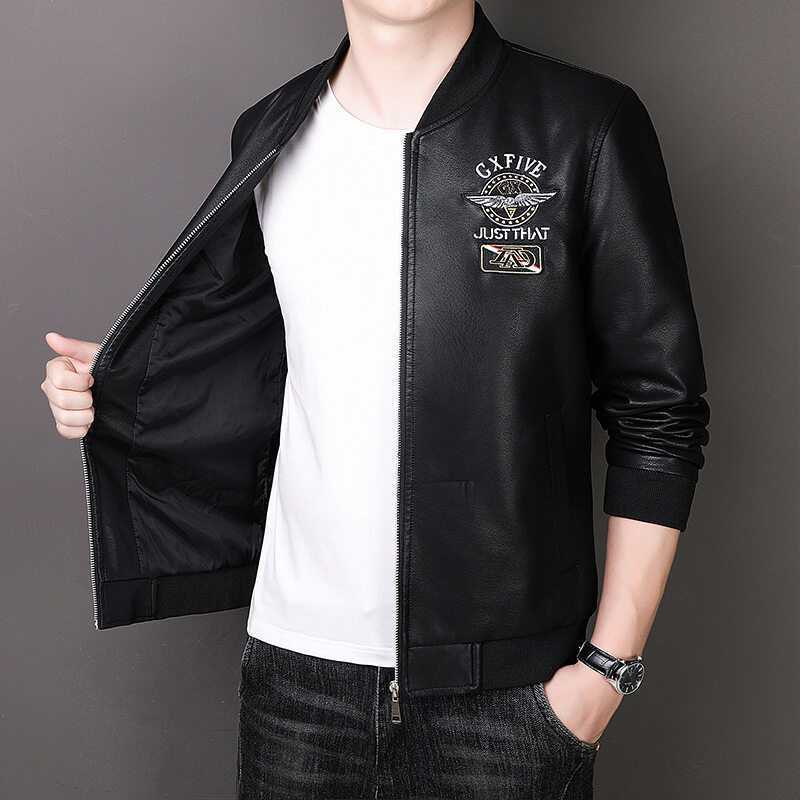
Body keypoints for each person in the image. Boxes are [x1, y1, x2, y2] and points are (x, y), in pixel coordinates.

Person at [39, 1, 710, 797]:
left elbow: (659, 409)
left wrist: (606, 668)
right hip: (295, 682)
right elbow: (262, 366)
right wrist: (121, 385)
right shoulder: (268, 132)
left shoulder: (584, 124)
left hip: (513, 693)